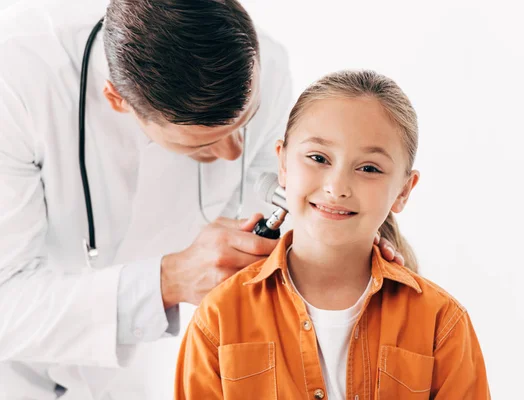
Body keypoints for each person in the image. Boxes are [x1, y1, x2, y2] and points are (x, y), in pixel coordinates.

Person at [0, 1, 404, 398]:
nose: (232, 153)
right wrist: (167, 281)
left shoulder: (264, 66)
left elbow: (279, 186)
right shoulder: (18, 83)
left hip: (138, 368)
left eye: (245, 122)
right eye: (203, 144)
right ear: (117, 100)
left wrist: (347, 236)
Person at [175, 70, 491, 399]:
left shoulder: (442, 323)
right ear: (282, 164)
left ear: (403, 190)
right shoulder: (219, 318)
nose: (336, 187)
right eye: (318, 158)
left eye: (369, 168)